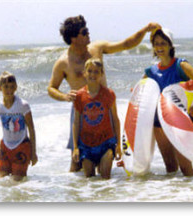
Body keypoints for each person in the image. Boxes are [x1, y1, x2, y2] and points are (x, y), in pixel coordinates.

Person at [47, 15, 160, 172]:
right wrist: (64, 96)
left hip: (104, 110)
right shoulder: (63, 62)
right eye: (84, 32)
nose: (88, 33)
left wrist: (145, 30)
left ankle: (102, 191)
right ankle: (74, 192)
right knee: (76, 160)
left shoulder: (97, 48)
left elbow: (126, 44)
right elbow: (51, 88)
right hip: (82, 113)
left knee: (106, 158)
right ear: (73, 38)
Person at [144, 28, 193, 176]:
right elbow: (141, 93)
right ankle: (174, 196)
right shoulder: (151, 71)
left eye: (163, 43)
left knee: (186, 168)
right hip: (159, 122)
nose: (159, 47)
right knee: (170, 168)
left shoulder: (181, 65)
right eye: (156, 44)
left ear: (170, 45)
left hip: (183, 121)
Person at [0, 71, 38, 181]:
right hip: (5, 146)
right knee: (3, 181)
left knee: (17, 181)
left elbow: (31, 128)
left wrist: (33, 152)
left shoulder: (23, 105)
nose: (9, 90)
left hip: (22, 145)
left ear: (16, 87)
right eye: (6, 87)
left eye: (12, 87)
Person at [72, 58, 121, 179]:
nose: (92, 74)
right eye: (90, 71)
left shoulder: (109, 94)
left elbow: (115, 119)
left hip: (106, 142)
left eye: (96, 72)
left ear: (101, 74)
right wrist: (75, 147)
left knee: (105, 179)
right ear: (84, 73)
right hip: (86, 144)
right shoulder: (79, 96)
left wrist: (119, 144)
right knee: (90, 181)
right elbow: (76, 122)